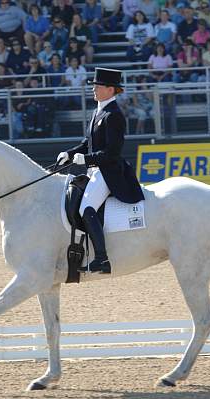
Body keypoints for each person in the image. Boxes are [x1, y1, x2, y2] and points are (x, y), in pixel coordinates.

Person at [56, 67, 145, 274]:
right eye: (94, 85)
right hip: (95, 170)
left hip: (109, 172)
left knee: (85, 208)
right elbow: (88, 142)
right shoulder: (98, 110)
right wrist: (70, 153)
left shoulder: (114, 115)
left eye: (98, 86)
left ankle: (102, 259)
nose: (94, 89)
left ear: (111, 89)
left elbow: (112, 153)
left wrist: (85, 159)